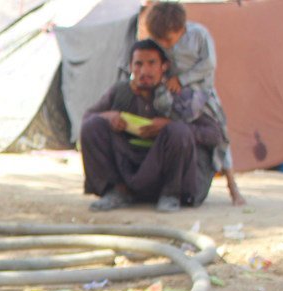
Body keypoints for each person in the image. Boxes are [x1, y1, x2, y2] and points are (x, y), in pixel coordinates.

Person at [81, 39, 223, 212]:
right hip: (130, 163)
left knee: (178, 131)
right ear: (131, 66)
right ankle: (117, 191)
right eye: (138, 64)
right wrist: (108, 116)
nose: (144, 71)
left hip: (167, 168)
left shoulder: (179, 95)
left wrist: (168, 126)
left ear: (164, 66)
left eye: (151, 63)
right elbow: (87, 118)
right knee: (92, 126)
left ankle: (171, 195)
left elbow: (214, 134)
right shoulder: (120, 91)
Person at [145, 1, 246, 205]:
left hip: (202, 96)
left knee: (221, 137)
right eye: (160, 40)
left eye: (168, 39)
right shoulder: (158, 42)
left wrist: (182, 80)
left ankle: (233, 188)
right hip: (172, 99)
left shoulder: (199, 35)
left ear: (181, 28)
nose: (165, 44)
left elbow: (208, 65)